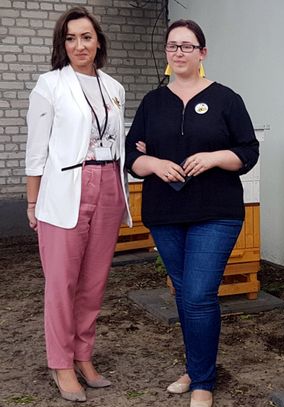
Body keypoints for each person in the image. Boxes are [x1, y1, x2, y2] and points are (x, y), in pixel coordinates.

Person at [125, 19, 259, 407]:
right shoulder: (153, 102)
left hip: (216, 211)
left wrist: (216, 157)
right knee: (185, 293)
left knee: (199, 294)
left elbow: (248, 151)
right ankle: (197, 367)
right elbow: (132, 155)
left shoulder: (226, 99)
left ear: (202, 52)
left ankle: (202, 382)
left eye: (187, 46)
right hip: (165, 211)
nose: (179, 52)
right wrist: (153, 163)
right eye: (172, 46)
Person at [25, 6, 131, 402]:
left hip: (109, 183)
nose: (79, 45)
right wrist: (32, 201)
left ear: (98, 41)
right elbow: (36, 151)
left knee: (93, 280)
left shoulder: (114, 88)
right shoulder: (49, 85)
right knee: (61, 282)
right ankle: (61, 363)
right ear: (62, 44)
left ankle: (83, 355)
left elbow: (116, 139)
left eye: (86, 37)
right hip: (66, 187)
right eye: (70, 38)